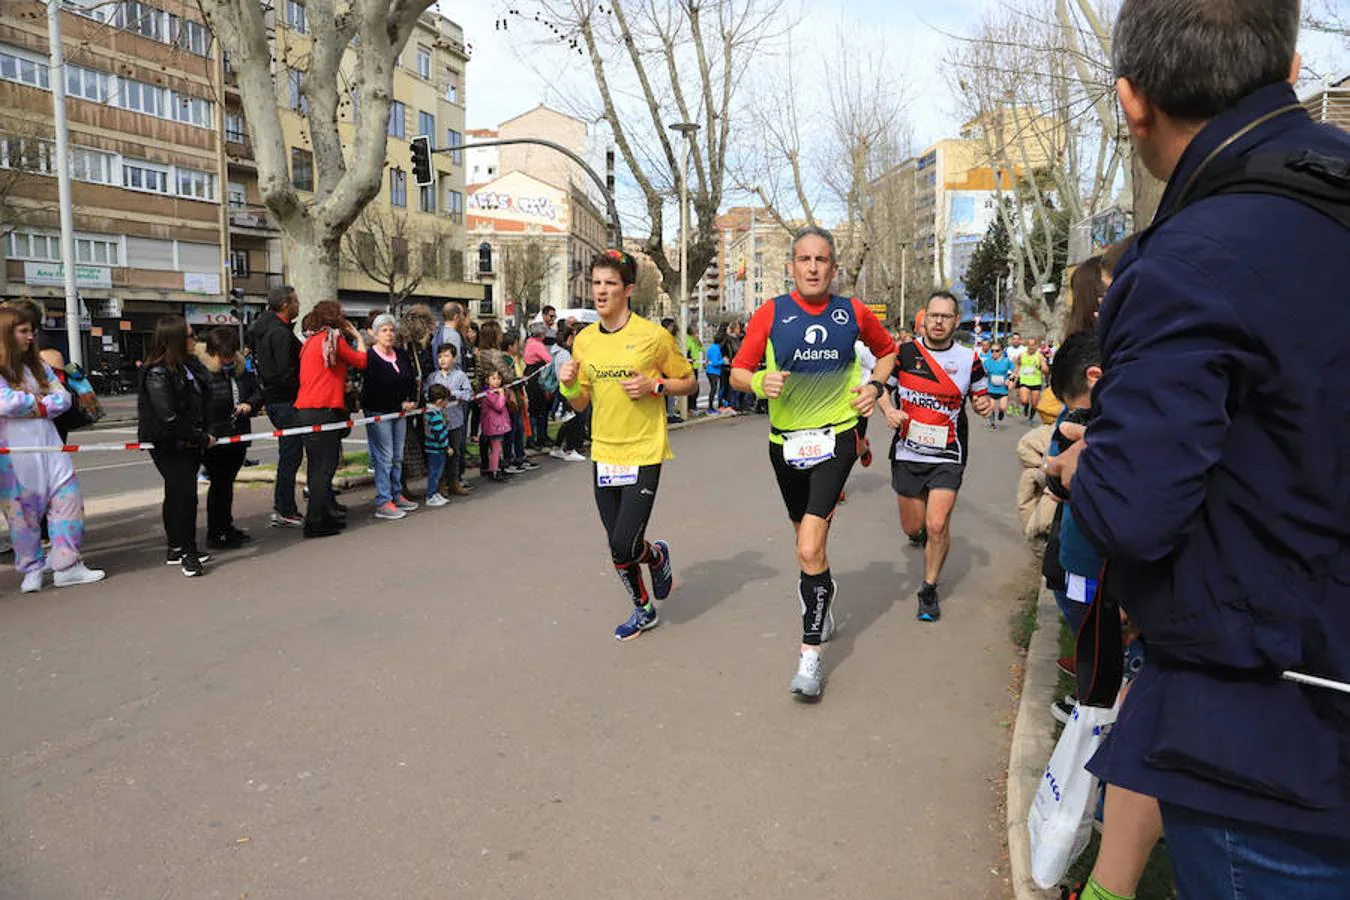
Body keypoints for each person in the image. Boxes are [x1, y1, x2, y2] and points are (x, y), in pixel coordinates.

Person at [1047, 2, 1350, 897]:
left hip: (1275, 740)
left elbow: (1135, 513)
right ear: (1290, 66)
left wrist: (1081, 467)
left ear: (1131, 102)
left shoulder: (1185, 260)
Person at [728, 225, 897, 699]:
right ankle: (824, 592)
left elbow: (887, 353)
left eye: (822, 260)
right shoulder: (771, 313)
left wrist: (875, 388)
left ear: (834, 268)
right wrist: (761, 383)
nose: (813, 268)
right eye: (805, 259)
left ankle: (810, 659)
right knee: (807, 545)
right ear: (791, 267)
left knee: (806, 548)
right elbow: (739, 371)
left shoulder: (852, 312)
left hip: (836, 437)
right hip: (786, 444)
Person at [558, 249, 697, 641]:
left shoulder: (653, 337)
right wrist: (568, 382)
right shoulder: (584, 341)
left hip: (644, 451)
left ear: (628, 290)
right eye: (597, 283)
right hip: (604, 452)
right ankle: (645, 607)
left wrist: (655, 386)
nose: (601, 292)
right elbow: (581, 402)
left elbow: (689, 382)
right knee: (618, 548)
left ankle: (654, 557)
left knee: (624, 542)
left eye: (610, 284)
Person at [878, 291, 993, 623]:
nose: (939, 322)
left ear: (956, 321)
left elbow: (979, 394)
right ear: (924, 317)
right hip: (907, 452)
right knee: (914, 527)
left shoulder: (968, 358)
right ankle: (924, 538)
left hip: (948, 454)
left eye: (946, 316)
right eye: (934, 315)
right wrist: (889, 410)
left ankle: (928, 589)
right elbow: (881, 386)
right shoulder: (904, 353)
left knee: (937, 523)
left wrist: (983, 405)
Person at [0, 308, 104, 589]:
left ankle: (66, 564)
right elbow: (5, 403)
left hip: (51, 448)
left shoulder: (39, 366)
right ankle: (32, 568)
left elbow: (64, 399)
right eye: (23, 331)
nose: (30, 337)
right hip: (14, 458)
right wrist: (39, 403)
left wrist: (34, 404)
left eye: (30, 331)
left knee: (68, 502)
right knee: (22, 516)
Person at [138, 315, 213, 576]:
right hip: (169, 443)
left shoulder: (189, 365)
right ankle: (189, 554)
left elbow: (203, 398)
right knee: (185, 496)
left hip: (189, 439)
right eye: (191, 336)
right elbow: (167, 416)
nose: (196, 340)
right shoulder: (158, 372)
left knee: (176, 493)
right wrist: (198, 436)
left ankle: (176, 547)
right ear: (176, 339)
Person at [295, 300, 366, 538]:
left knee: (317, 467)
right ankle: (315, 522)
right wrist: (358, 336)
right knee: (324, 470)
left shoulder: (311, 342)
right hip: (323, 409)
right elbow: (361, 360)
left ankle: (323, 515)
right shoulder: (333, 340)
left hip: (307, 409)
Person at [195, 326, 263, 550]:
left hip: (237, 434)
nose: (228, 361)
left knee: (226, 486)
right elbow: (199, 407)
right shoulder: (202, 373)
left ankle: (226, 525)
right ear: (212, 353)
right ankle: (217, 532)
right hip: (215, 439)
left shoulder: (241, 370)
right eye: (223, 357)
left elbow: (257, 392)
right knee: (219, 486)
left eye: (231, 355)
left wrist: (249, 404)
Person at [246, 284, 305, 528]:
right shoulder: (279, 334)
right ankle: (284, 508)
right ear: (285, 305)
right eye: (295, 301)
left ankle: (284, 506)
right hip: (285, 400)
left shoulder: (264, 329)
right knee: (290, 454)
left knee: (290, 454)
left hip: (276, 399)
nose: (298, 305)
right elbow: (283, 372)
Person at [362, 313, 419, 521]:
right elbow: (373, 390)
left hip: (401, 412)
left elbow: (411, 379)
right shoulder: (371, 357)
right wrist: (398, 403)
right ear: (375, 334)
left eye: (391, 330)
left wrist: (412, 400)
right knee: (384, 458)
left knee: (397, 456)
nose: (389, 334)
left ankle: (396, 494)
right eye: (384, 330)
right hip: (380, 412)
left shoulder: (401, 355)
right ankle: (383, 500)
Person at [425, 343, 474, 494]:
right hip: (437, 423)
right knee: (440, 453)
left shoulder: (460, 376)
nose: (443, 360)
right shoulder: (433, 377)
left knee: (455, 452)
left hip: (455, 421)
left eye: (446, 356)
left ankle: (455, 480)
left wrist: (452, 393)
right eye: (440, 357)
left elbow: (468, 394)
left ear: (454, 358)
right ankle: (441, 483)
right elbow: (426, 394)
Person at [549, 323, 588, 462]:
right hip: (569, 390)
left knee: (569, 419)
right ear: (570, 337)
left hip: (567, 389)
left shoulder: (562, 351)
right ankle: (570, 448)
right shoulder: (564, 354)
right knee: (574, 419)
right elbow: (566, 375)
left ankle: (558, 447)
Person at [422, 384, 454, 507]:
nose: (447, 403)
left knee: (436, 472)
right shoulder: (435, 415)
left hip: (435, 447)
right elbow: (438, 433)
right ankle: (431, 495)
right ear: (440, 401)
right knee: (435, 472)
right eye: (446, 400)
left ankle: (434, 493)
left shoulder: (433, 412)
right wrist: (447, 447)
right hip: (436, 448)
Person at [478, 370, 512, 483]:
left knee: (497, 448)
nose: (497, 381)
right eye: (494, 378)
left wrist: (505, 393)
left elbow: (504, 401)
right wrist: (501, 395)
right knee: (496, 449)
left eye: (498, 379)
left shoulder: (496, 392)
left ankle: (497, 467)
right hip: (493, 426)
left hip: (499, 425)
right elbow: (499, 406)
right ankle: (494, 471)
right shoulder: (488, 394)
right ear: (488, 380)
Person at [523, 322, 554, 448]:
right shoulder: (537, 345)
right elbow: (549, 360)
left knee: (534, 409)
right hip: (536, 375)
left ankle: (533, 437)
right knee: (540, 409)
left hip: (530, 373)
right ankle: (539, 437)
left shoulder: (529, 342)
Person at [1014, 333, 1048, 421]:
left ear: (1036, 346)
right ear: (1027, 345)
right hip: (1024, 381)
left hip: (1036, 382)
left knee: (1035, 404)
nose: (1031, 347)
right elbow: (1017, 365)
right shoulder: (1022, 355)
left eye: (1033, 345)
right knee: (1023, 400)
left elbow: (1046, 370)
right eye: (1029, 345)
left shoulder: (1040, 356)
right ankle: (1026, 406)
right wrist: (1015, 375)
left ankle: (1031, 417)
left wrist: (1040, 367)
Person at [983, 342, 1015, 429]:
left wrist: (1010, 379)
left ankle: (1001, 413)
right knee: (991, 407)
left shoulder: (1006, 361)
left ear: (1001, 351)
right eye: (992, 350)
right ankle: (992, 424)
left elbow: (1013, 371)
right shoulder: (987, 362)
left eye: (997, 351)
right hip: (991, 388)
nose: (994, 353)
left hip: (1003, 389)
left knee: (1002, 408)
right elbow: (983, 373)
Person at [431, 301, 466, 365]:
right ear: (456, 317)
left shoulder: (438, 333)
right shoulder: (453, 336)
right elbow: (454, 363)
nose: (463, 318)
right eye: (462, 314)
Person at [704, 324, 728, 414]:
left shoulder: (714, 347)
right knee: (713, 389)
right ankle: (710, 407)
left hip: (714, 371)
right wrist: (723, 361)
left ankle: (713, 406)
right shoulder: (715, 349)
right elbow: (714, 362)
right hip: (712, 372)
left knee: (715, 389)